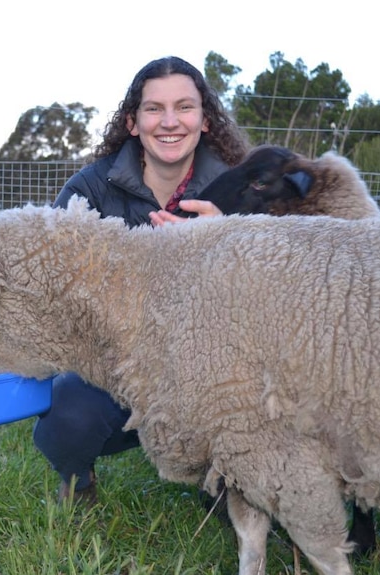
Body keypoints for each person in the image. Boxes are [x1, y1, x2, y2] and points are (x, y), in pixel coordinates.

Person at [32, 55, 250, 504]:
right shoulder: (90, 190)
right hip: (118, 367)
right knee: (65, 419)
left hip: (215, 373)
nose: (170, 122)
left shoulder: (240, 189)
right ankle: (79, 480)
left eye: (185, 107)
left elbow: (273, 293)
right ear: (133, 122)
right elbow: (51, 283)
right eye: (154, 109)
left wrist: (222, 237)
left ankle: (229, 490)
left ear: (205, 120)